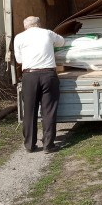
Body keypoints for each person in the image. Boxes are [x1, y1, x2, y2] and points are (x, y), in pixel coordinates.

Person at [14, 16, 65, 153]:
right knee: (48, 111)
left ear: (25, 26)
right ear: (39, 24)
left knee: (29, 111)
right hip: (48, 75)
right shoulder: (48, 33)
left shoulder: (19, 37)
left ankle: (30, 145)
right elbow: (62, 42)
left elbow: (19, 60)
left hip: (29, 76)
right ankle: (48, 145)